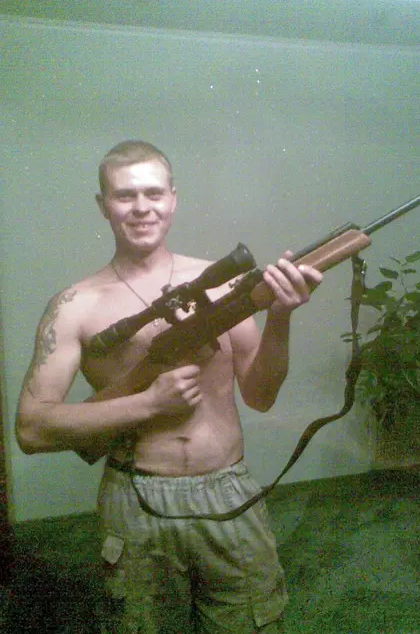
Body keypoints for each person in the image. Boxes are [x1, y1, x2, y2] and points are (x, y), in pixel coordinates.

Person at [16, 140, 323, 633]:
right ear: (103, 205)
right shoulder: (74, 305)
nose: (142, 207)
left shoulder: (221, 285)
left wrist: (281, 317)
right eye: (125, 195)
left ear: (173, 199)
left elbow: (261, 396)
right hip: (135, 500)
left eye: (154, 193)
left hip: (228, 493)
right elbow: (31, 430)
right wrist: (149, 403)